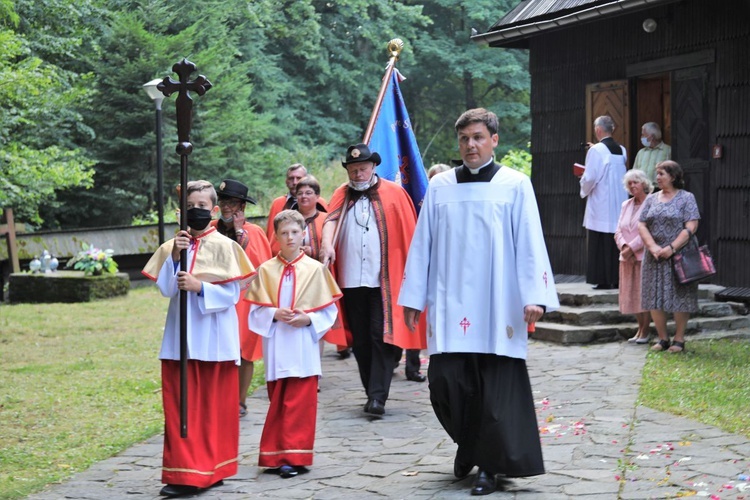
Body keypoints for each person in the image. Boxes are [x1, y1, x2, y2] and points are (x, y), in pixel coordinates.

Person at [399, 108, 559, 496]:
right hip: (450, 302)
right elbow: (423, 244)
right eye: (464, 139)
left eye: (477, 137)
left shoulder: (515, 184)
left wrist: (534, 295)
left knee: (492, 391)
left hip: (497, 302)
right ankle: (469, 444)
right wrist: (413, 296)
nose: (470, 145)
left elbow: (530, 242)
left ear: (494, 140)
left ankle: (488, 465)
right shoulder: (440, 187)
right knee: (444, 384)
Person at [141, 180, 254, 498]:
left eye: (202, 207)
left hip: (214, 339)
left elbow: (232, 294)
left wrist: (200, 286)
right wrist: (176, 257)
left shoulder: (226, 246)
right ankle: (184, 473)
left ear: (214, 210)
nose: (196, 211)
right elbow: (165, 288)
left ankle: (212, 469)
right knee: (181, 407)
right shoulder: (173, 244)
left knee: (212, 409)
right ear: (181, 211)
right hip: (180, 340)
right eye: (191, 206)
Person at [319, 143, 425, 416]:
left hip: (384, 281)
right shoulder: (342, 194)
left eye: (362, 169)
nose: (357, 174)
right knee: (361, 339)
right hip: (351, 279)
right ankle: (371, 391)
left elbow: (408, 233)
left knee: (381, 336)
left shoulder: (394, 193)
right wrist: (327, 245)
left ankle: (378, 395)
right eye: (353, 170)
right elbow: (330, 219)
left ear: (373, 167)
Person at [245, 210, 342, 478]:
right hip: (277, 345)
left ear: (303, 235)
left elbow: (329, 312)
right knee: (279, 400)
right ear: (275, 236)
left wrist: (308, 319)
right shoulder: (265, 271)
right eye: (284, 233)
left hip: (302, 347)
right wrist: (273, 313)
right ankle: (277, 456)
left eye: (294, 233)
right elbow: (254, 313)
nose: (289, 237)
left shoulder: (315, 270)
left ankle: (296, 456)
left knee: (301, 402)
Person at [211, 179, 273, 417]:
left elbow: (260, 265)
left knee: (243, 350)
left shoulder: (254, 232)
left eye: (233, 203)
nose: (227, 207)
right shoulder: (211, 228)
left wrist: (239, 233)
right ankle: (220, 397)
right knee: (220, 350)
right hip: (217, 297)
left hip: (245, 300)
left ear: (242, 207)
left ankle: (240, 400)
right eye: (224, 201)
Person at [638, 160, 700, 353]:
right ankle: (663, 338)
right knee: (654, 295)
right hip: (654, 256)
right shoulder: (651, 198)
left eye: (661, 174)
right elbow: (641, 224)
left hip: (680, 254)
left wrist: (671, 248)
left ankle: (679, 339)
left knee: (681, 295)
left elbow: (691, 226)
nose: (657, 177)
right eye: (657, 174)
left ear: (673, 176)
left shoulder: (686, 198)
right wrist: (653, 247)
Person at [403, 162, 453, 383]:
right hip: (424, 271)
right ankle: (412, 365)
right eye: (433, 179)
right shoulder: (417, 205)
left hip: (449, 275)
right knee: (418, 320)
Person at [294, 175, 351, 358]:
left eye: (309, 193)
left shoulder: (327, 219)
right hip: (296, 279)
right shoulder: (289, 218)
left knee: (316, 321)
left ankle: (316, 366)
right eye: (300, 193)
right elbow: (274, 244)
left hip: (320, 278)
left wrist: (313, 250)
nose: (304, 197)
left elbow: (336, 246)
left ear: (318, 197)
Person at [580, 115, 628, 290]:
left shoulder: (596, 150)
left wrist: (582, 184)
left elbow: (590, 177)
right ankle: (616, 278)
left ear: (598, 130)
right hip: (618, 200)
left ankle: (603, 279)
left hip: (602, 201)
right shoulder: (622, 149)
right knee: (615, 239)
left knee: (600, 241)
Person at [614, 170, 653, 344]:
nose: (632, 186)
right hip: (626, 256)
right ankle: (639, 328)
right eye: (629, 183)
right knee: (631, 294)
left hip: (643, 255)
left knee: (643, 294)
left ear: (644, 184)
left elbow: (650, 230)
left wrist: (632, 247)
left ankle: (646, 331)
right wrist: (623, 247)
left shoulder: (652, 202)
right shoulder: (625, 205)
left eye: (635, 182)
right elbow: (618, 230)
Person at [266, 163, 327, 254]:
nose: (295, 182)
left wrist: (314, 251)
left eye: (298, 178)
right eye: (291, 178)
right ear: (286, 181)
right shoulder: (278, 203)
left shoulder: (321, 203)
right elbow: (272, 236)